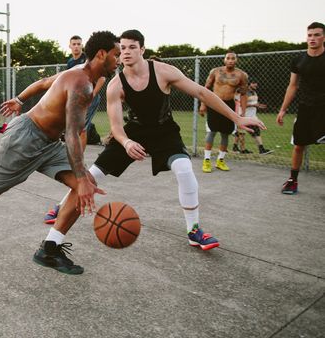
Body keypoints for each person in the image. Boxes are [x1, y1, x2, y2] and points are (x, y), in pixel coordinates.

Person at [29, 30, 265, 248]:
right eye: (121, 48)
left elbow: (202, 92)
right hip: (133, 134)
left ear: (142, 49)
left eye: (132, 47)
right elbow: (116, 126)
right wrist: (126, 142)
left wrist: (237, 118)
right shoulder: (116, 84)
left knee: (184, 169)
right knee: (91, 175)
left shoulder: (163, 71)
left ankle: (194, 230)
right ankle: (59, 208)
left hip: (165, 132)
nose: (126, 52)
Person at [0, 31, 121, 275]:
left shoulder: (82, 76)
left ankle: (50, 248)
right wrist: (80, 177)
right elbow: (71, 134)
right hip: (25, 138)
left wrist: (19, 99)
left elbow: (43, 85)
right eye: (116, 54)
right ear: (101, 54)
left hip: (48, 144)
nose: (119, 60)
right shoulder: (81, 83)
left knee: (86, 185)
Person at [43, 35, 106, 223]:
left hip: (89, 96)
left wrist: (92, 95)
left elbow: (101, 77)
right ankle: (75, 154)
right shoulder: (71, 62)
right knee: (74, 128)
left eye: (79, 44)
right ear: (70, 46)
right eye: (74, 44)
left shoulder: (87, 58)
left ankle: (78, 156)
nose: (77, 46)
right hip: (77, 96)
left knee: (81, 129)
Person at [276, 22, 325, 195]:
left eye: (317, 35)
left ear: (324, 37)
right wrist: (283, 109)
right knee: (298, 145)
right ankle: (292, 180)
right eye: (310, 35)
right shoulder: (298, 60)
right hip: (305, 108)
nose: (312, 38)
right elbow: (293, 86)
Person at [199, 52, 248, 173]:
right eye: (228, 58)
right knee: (212, 131)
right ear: (224, 60)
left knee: (226, 133)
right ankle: (206, 160)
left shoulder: (241, 75)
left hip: (229, 105)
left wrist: (243, 111)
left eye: (233, 58)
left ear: (236, 60)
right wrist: (203, 104)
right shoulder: (215, 71)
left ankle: (220, 160)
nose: (230, 60)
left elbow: (244, 93)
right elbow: (206, 88)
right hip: (214, 103)